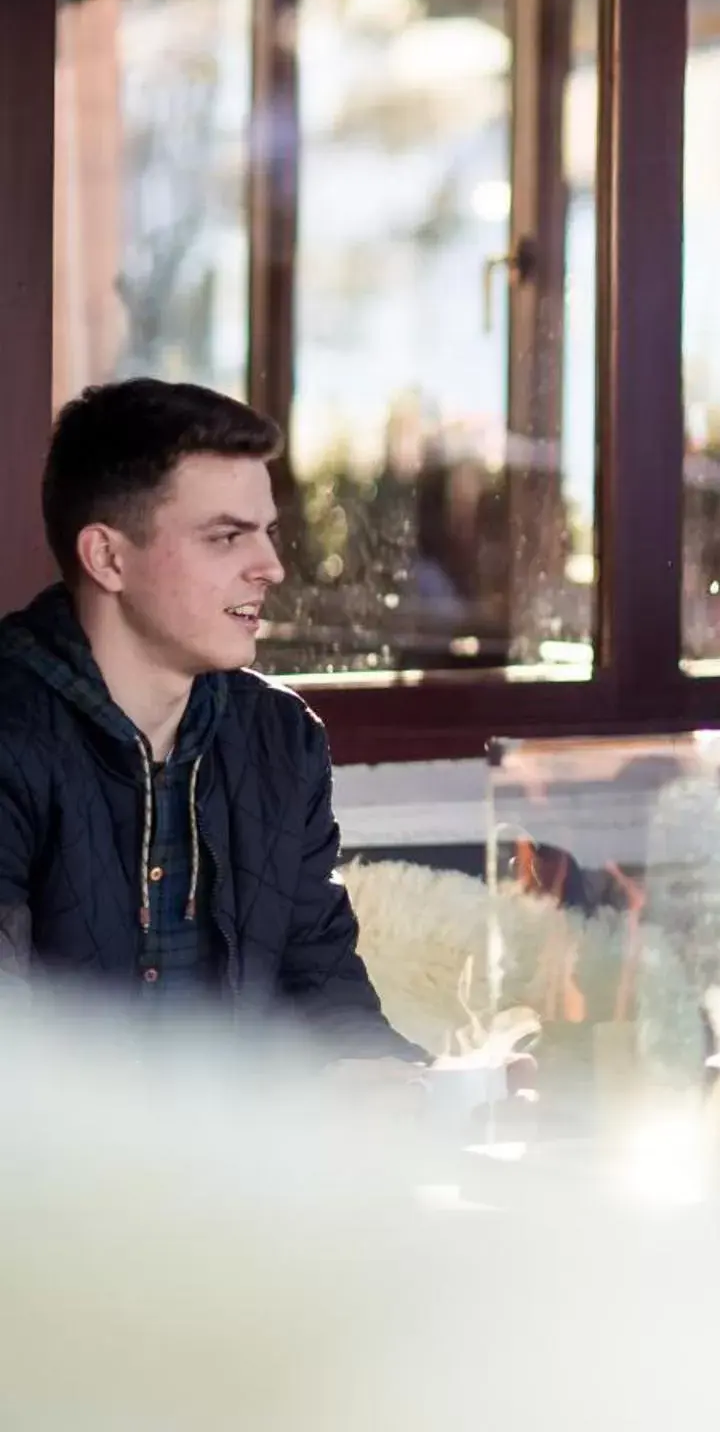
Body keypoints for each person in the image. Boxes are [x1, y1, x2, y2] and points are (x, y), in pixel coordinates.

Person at [0, 379, 419, 1065]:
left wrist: (415, 1089)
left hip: (242, 1165)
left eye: (268, 534)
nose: (272, 568)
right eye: (226, 537)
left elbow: (324, 988)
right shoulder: (12, 734)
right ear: (108, 557)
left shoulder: (282, 739)